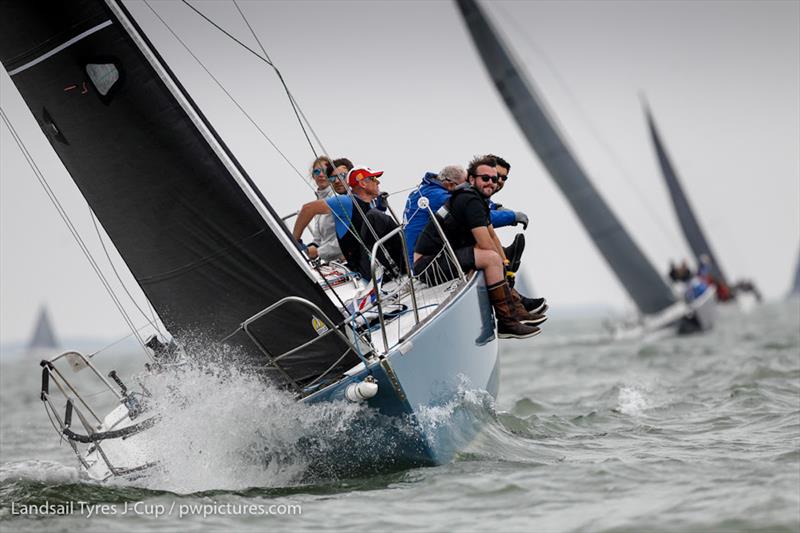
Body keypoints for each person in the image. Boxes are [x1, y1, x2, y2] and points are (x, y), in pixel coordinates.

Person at [413, 155, 544, 339]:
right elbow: (485, 244)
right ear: (472, 179)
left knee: (495, 258)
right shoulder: (469, 200)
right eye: (485, 178)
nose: (491, 182)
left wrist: (505, 264)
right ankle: (507, 322)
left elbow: (491, 234)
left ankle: (515, 308)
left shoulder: (477, 199)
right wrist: (499, 264)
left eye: (495, 179)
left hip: (438, 259)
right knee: (490, 258)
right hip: (427, 265)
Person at [293, 166, 404, 280]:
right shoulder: (346, 201)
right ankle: (408, 261)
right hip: (366, 269)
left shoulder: (371, 205)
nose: (378, 182)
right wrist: (294, 241)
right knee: (375, 216)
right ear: (363, 184)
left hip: (383, 263)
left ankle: (408, 260)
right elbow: (308, 209)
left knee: (378, 216)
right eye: (374, 179)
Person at [403, 165, 467, 267]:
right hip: (422, 262)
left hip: (412, 257)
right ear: (450, 184)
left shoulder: (424, 190)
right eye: (463, 187)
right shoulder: (437, 196)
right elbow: (472, 212)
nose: (465, 190)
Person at [306, 156, 344, 262]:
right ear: (313, 176)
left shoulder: (338, 198)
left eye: (324, 171)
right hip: (330, 263)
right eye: (317, 171)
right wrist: (304, 250)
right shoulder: (318, 204)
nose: (321, 175)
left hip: (346, 259)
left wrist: (319, 252)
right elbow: (318, 241)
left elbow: (346, 237)